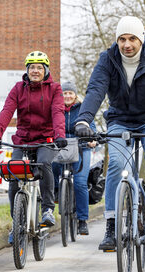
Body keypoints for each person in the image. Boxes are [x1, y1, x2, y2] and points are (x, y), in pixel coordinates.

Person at [74, 16, 145, 250]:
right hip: (120, 120)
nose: (127, 44)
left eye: (132, 38)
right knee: (116, 166)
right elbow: (95, 90)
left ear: (141, 39)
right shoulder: (108, 59)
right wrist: (83, 120)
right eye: (122, 39)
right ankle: (112, 226)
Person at [0, 51, 67, 243]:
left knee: (44, 163)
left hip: (46, 139)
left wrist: (60, 135)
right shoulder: (18, 88)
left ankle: (47, 209)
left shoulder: (55, 89)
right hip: (22, 139)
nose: (35, 71)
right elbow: (7, 111)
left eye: (39, 67)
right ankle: (18, 223)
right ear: (27, 70)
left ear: (45, 70)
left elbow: (57, 112)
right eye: (32, 67)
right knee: (14, 171)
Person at [51, 81, 97, 235]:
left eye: (70, 93)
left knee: (80, 183)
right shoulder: (56, 109)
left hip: (81, 148)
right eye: (65, 93)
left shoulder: (83, 109)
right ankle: (57, 191)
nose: (67, 96)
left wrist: (92, 140)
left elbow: (92, 127)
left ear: (75, 95)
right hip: (60, 148)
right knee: (53, 167)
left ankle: (82, 220)